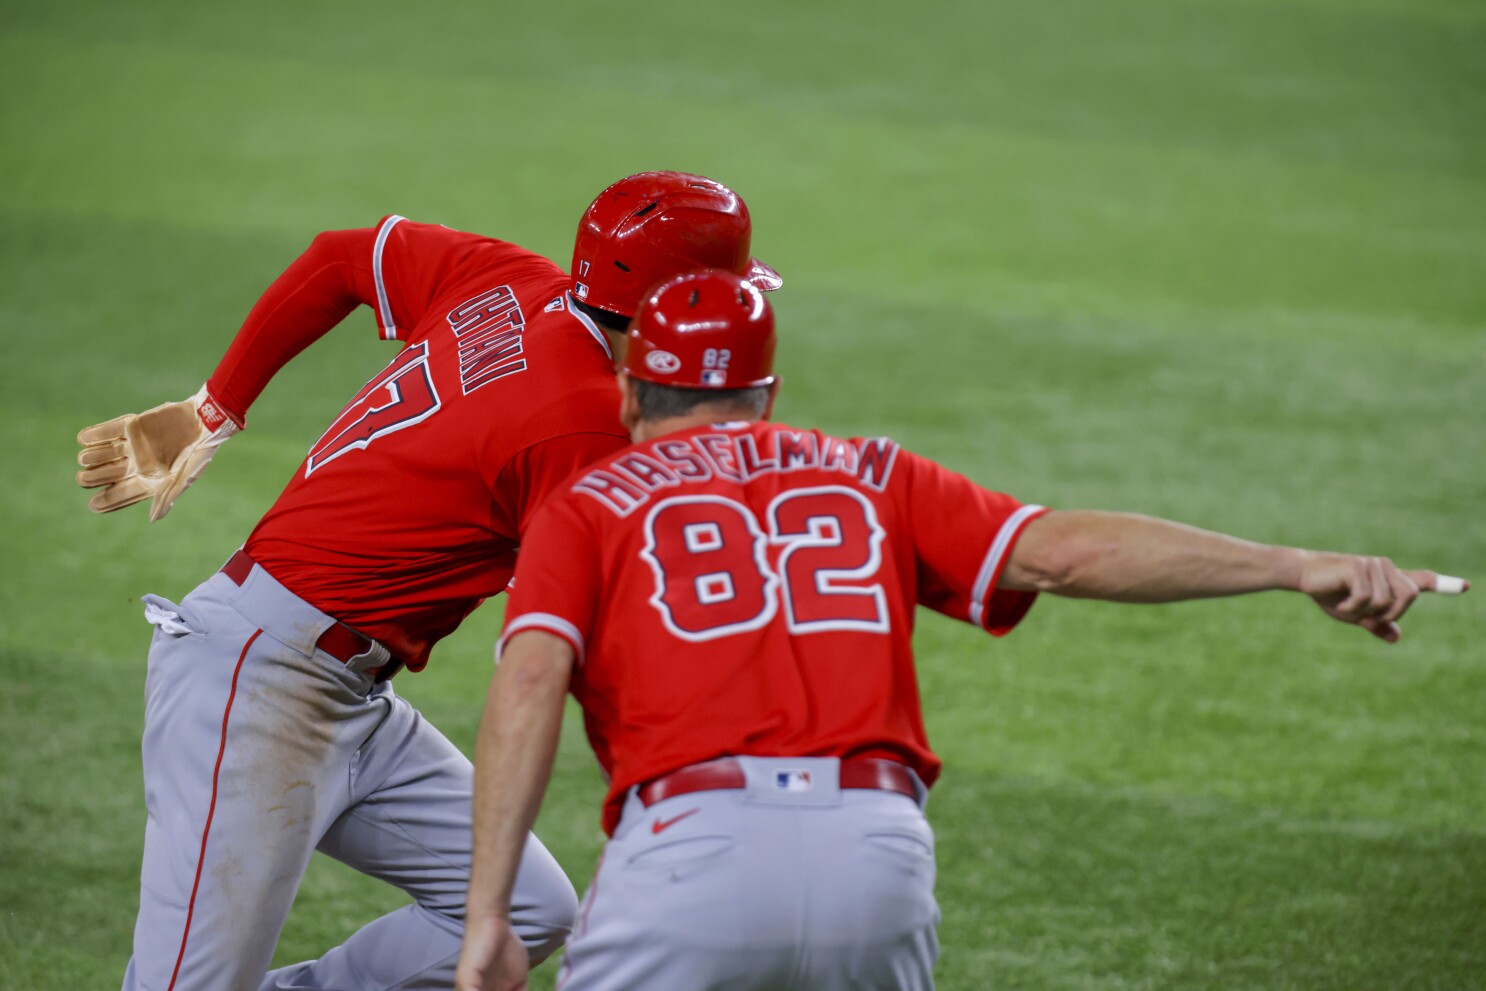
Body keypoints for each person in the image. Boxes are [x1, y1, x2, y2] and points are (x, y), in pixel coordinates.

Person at [454, 268, 1469, 991]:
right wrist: (1294, 567)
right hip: (875, 857)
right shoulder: (873, 469)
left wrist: (489, 912)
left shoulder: (586, 507)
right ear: (765, 393)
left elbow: (531, 682)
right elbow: (1066, 551)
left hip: (689, 859)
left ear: (630, 388)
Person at [74, 173, 781, 991]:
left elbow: (340, 259)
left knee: (524, 907)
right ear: (675, 310)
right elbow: (578, 656)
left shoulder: (515, 280)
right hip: (258, 684)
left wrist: (214, 407)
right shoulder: (585, 427)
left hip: (343, 690)